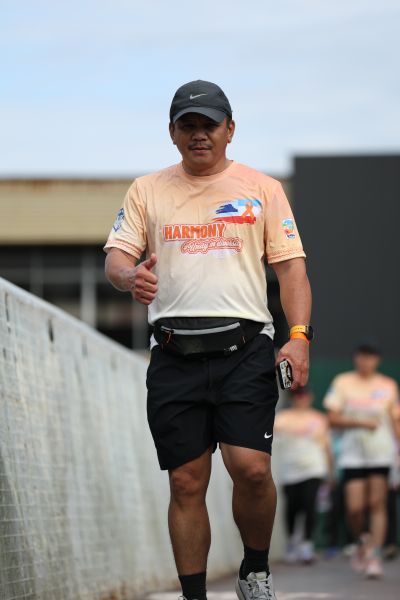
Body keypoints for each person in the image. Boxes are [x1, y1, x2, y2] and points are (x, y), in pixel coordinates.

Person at [104, 80, 312, 600]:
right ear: (172, 132)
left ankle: (255, 572)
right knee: (186, 481)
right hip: (174, 353)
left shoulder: (262, 188)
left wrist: (299, 337)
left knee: (252, 470)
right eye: (188, 125)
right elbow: (117, 258)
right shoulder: (147, 189)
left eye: (209, 125)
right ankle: (193, 595)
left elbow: (291, 270)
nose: (199, 134)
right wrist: (130, 277)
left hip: (246, 349)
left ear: (230, 130)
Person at [323, 342, 400, 579]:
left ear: (377, 360)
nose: (365, 361)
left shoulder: (387, 385)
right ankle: (363, 541)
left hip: (381, 452)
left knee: (377, 504)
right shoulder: (343, 382)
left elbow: (395, 420)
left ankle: (374, 555)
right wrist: (361, 423)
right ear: (356, 358)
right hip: (352, 454)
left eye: (370, 357)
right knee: (354, 509)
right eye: (362, 356)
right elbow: (332, 418)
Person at [274, 386, 332, 564]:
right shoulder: (281, 418)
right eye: (298, 396)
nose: (301, 400)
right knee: (292, 507)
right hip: (290, 470)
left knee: (309, 505)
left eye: (305, 396)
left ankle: (307, 544)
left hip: (313, 469)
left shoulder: (319, 419)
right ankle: (293, 542)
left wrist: (330, 472)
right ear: (293, 398)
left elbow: (326, 446)